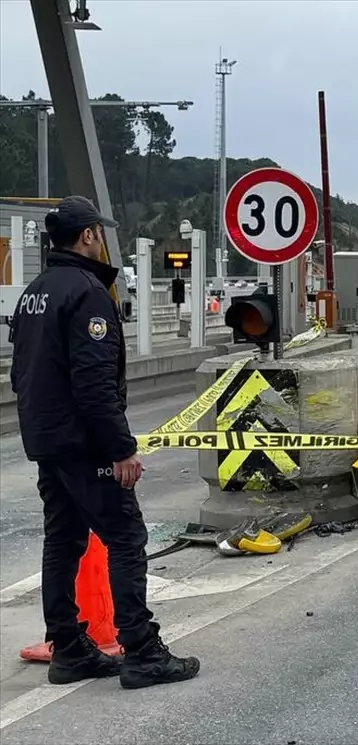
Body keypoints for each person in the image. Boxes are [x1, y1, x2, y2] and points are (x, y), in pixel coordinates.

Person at [8, 196, 200, 690]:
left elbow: (21, 372)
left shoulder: (35, 291)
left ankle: (68, 649)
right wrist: (119, 448)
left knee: (64, 541)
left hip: (47, 439)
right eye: (101, 232)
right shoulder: (89, 293)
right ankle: (141, 650)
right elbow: (93, 384)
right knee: (126, 538)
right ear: (89, 235)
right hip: (84, 443)